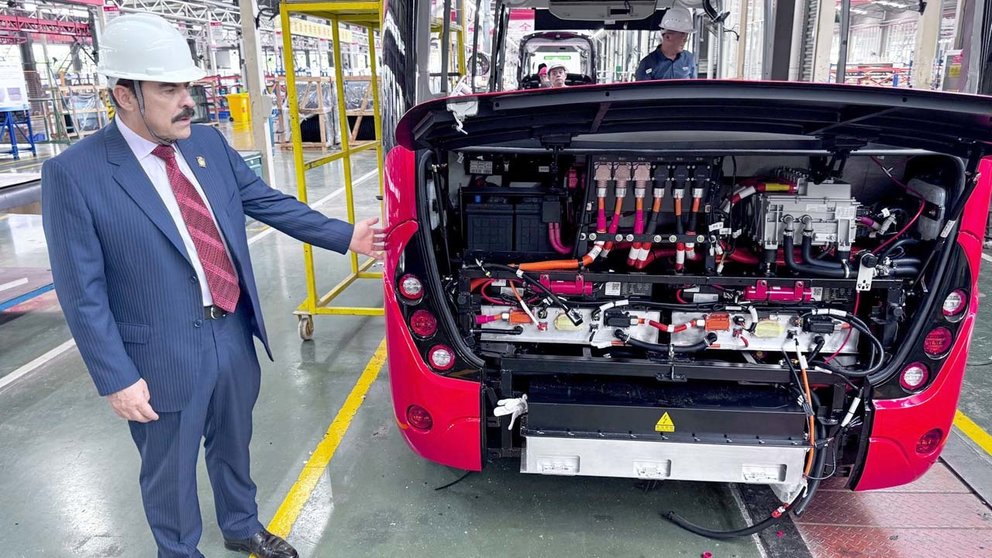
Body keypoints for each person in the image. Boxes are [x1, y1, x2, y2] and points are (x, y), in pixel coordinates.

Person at [40, 13, 383, 558]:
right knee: (169, 469)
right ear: (124, 95)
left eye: (188, 86)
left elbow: (267, 202)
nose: (187, 100)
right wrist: (115, 377)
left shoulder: (207, 144)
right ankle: (178, 551)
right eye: (169, 88)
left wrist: (346, 236)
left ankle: (242, 526)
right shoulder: (76, 174)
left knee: (233, 443)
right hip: (159, 350)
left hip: (231, 330)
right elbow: (81, 291)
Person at [634, 5, 698, 81]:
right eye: (683, 36)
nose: (685, 40)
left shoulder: (689, 59)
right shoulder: (647, 64)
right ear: (668, 37)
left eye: (687, 36)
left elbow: (694, 88)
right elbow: (642, 92)